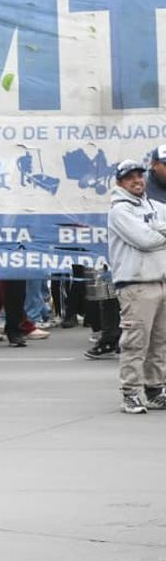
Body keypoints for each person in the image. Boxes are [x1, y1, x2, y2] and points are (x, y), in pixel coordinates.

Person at [106, 159, 166, 414]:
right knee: (135, 342)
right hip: (135, 284)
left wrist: (156, 230)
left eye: (139, 176)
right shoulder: (119, 210)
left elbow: (152, 235)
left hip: (160, 280)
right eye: (130, 177)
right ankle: (130, 393)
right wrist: (156, 230)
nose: (137, 181)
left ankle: (155, 390)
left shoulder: (154, 205)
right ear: (120, 182)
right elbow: (144, 240)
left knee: (159, 342)